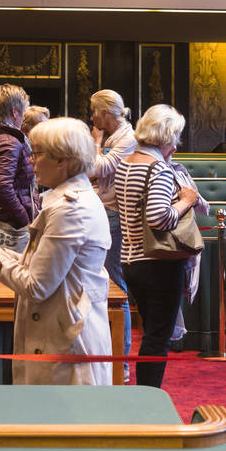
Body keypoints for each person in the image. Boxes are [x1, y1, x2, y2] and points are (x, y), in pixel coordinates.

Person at [0, 118, 112, 384]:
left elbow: (37, 286)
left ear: (62, 160)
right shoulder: (69, 200)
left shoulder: (69, 209)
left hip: (67, 344)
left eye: (37, 153)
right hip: (61, 335)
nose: (30, 160)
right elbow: (41, 265)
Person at [114, 104, 198, 388]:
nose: (177, 144)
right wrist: (186, 200)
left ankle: (145, 395)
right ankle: (148, 398)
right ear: (166, 136)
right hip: (158, 262)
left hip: (130, 260)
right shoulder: (157, 168)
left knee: (151, 333)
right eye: (176, 137)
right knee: (157, 339)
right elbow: (159, 218)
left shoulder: (126, 162)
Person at [89, 88, 138, 374]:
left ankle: (122, 362)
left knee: (116, 287)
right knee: (107, 284)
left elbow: (99, 167)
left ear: (105, 113)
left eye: (94, 111)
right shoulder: (113, 137)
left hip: (116, 217)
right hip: (105, 213)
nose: (92, 118)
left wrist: (95, 143)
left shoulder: (128, 138)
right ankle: (111, 356)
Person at [0, 85, 38, 251]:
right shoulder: (10, 141)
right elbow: (2, 187)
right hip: (10, 225)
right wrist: (25, 220)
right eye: (23, 112)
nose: (24, 117)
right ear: (14, 112)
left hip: (1, 219)